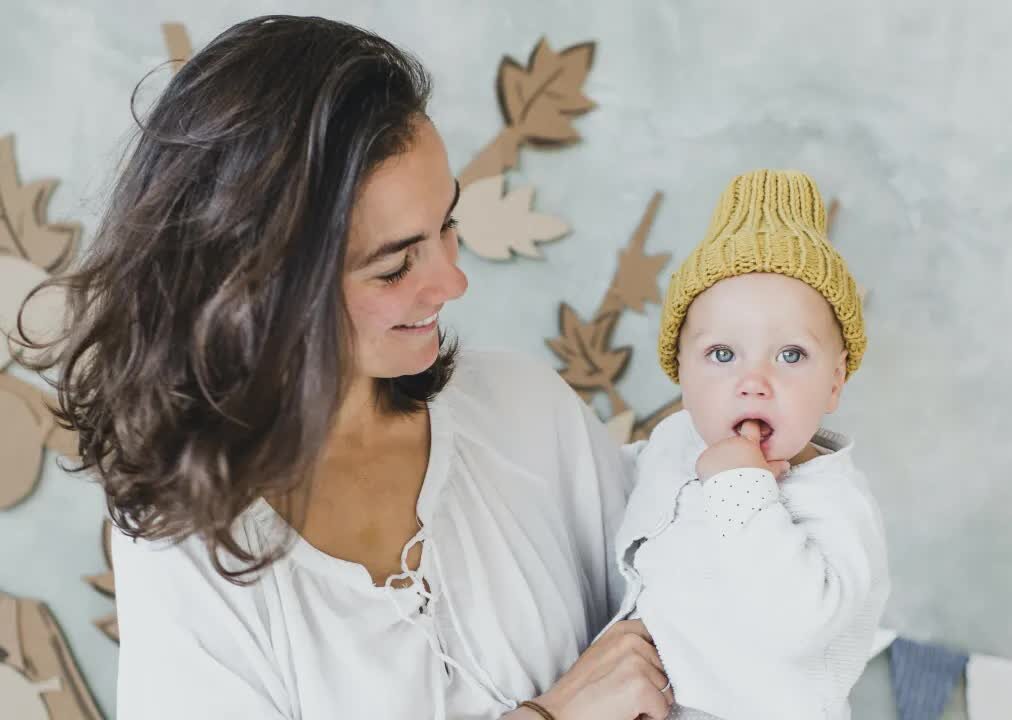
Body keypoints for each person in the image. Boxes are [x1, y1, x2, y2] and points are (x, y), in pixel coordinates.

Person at [15, 15, 677, 720]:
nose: (452, 283)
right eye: (394, 267)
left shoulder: (525, 409)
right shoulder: (183, 544)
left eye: (448, 226)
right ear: (261, 288)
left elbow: (696, 615)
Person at [607, 170, 890, 719]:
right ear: (681, 373)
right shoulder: (673, 440)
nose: (754, 381)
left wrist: (741, 486)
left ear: (835, 382)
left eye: (790, 355)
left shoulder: (836, 505)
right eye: (722, 354)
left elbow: (798, 625)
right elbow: (619, 491)